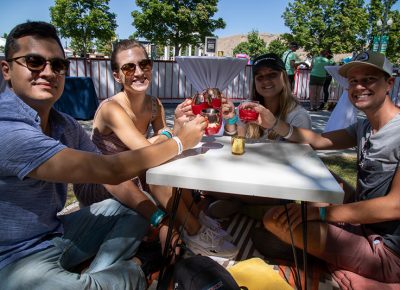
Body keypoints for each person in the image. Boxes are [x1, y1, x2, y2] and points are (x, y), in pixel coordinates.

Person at [0, 21, 206, 290]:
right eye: (34, 62)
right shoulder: (8, 130)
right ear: (6, 70)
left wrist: (159, 219)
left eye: (58, 65)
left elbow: (115, 180)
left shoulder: (65, 124)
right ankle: (137, 270)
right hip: (13, 258)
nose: (48, 72)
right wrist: (179, 141)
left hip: (55, 233)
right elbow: (111, 169)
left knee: (132, 210)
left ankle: (99, 275)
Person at [74, 39, 238, 260]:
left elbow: (166, 143)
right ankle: (194, 232)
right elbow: (146, 152)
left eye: (145, 64)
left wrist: (178, 125)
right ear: (116, 76)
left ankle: (198, 218)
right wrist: (173, 136)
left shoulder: (154, 104)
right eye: (129, 67)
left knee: (167, 164)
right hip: (106, 181)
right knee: (159, 170)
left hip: (135, 171)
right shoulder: (111, 109)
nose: (139, 72)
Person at [248, 51, 400, 288]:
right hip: (362, 226)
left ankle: (375, 280)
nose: (359, 87)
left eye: (369, 79)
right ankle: (328, 256)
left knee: (273, 223)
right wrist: (273, 122)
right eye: (353, 81)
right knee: (321, 181)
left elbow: (395, 205)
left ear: (389, 83)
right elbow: (318, 140)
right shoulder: (364, 126)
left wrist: (319, 215)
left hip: (389, 249)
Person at [207, 53, 312, 218]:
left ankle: (242, 205)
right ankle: (249, 206)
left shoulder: (298, 115)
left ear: (284, 77)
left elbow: (296, 165)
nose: (265, 81)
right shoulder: (248, 108)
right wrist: (231, 119)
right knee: (208, 182)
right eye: (259, 77)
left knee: (212, 189)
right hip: (249, 176)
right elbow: (237, 146)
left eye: (272, 75)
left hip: (278, 185)